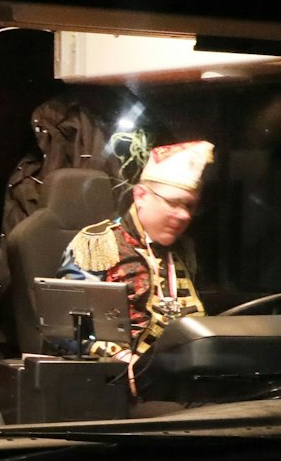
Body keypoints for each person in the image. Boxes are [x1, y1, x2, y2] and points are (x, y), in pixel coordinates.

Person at [60, 140, 214, 364]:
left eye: (190, 206)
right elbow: (67, 326)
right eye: (173, 203)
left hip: (186, 367)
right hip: (122, 375)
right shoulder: (97, 243)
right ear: (141, 196)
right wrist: (117, 356)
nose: (184, 215)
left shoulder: (185, 249)